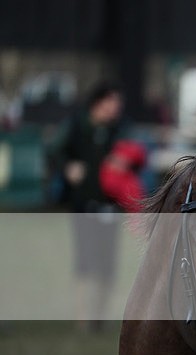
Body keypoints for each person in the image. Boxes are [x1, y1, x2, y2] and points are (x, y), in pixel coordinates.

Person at [49, 81, 127, 331]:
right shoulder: (76, 126)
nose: (116, 108)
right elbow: (54, 151)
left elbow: (137, 153)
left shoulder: (118, 131)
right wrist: (67, 168)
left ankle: (99, 317)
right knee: (85, 261)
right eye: (112, 103)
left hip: (111, 207)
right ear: (98, 103)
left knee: (108, 263)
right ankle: (82, 317)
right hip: (84, 204)